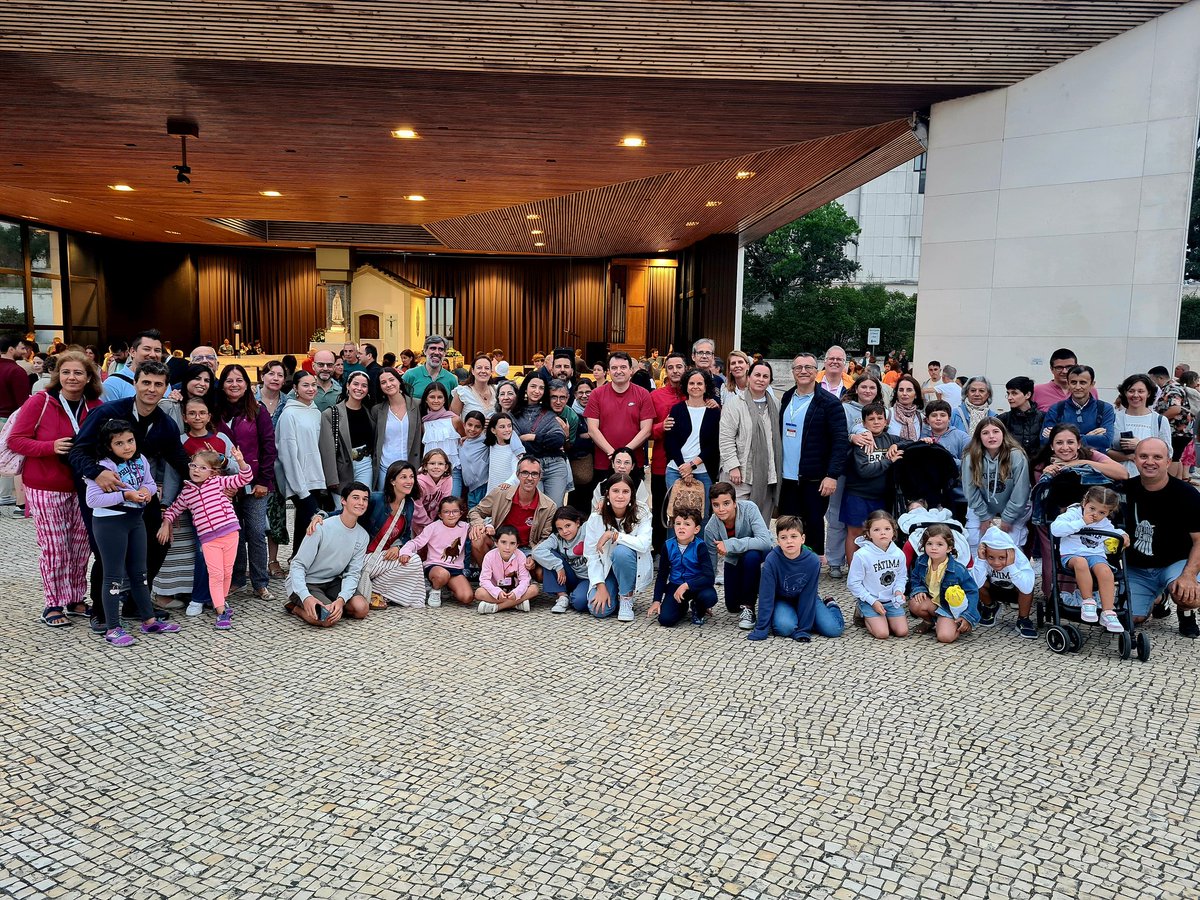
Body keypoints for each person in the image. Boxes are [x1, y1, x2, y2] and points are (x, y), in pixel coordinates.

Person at [69, 361, 191, 633]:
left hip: (139, 496)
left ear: (165, 388)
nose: (151, 389)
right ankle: (101, 613)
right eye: (146, 382)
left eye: (158, 384)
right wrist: (97, 472)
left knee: (158, 543)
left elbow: (180, 459)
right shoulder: (108, 413)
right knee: (105, 555)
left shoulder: (165, 423)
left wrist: (212, 480)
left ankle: (136, 604)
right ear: (135, 383)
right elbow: (77, 451)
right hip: (105, 496)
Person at [7, 350, 103, 626]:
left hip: (84, 487)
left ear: (88, 378)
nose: (71, 377)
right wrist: (50, 447)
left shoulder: (95, 406)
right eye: (66, 372)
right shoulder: (41, 402)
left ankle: (75, 598)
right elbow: (16, 440)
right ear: (57, 376)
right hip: (46, 484)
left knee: (80, 546)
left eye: (78, 373)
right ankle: (53, 603)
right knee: (55, 546)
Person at [83, 420, 181, 647]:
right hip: (110, 524)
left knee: (140, 573)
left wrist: (147, 491)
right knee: (113, 576)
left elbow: (149, 482)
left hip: (135, 520)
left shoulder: (141, 459)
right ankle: (113, 627)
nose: (127, 447)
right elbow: (93, 499)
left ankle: (149, 620)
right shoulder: (103, 467)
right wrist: (125, 496)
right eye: (119, 443)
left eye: (130, 441)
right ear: (109, 446)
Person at [157, 446, 254, 630]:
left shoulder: (219, 482)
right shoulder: (186, 493)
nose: (196, 470)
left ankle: (221, 602)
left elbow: (245, 478)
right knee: (216, 574)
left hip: (230, 532)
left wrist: (240, 461)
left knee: (226, 572)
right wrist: (166, 523)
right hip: (208, 539)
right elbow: (173, 510)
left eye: (202, 468)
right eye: (193, 466)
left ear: (213, 472)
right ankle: (221, 612)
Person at [1121, 437, 1200, 635]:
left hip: (1174, 563)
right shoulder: (1122, 490)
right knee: (1130, 619)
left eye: (1157, 457)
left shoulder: (1187, 494)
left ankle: (1186, 613)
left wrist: (1189, 575)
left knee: (1189, 595)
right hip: (1137, 567)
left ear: (1167, 461)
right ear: (1135, 459)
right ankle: (1159, 598)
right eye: (1143, 456)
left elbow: (1199, 539)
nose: (1150, 462)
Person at [777, 353, 849, 559]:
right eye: (798, 367)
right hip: (788, 476)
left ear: (817, 372)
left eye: (808, 367)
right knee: (789, 524)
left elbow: (840, 441)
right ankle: (789, 562)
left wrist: (832, 475)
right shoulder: (787, 396)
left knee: (813, 523)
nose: (803, 371)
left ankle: (814, 563)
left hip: (815, 477)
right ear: (792, 372)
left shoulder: (829, 403)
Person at [216, 363, 276, 601]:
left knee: (255, 530)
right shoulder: (215, 410)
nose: (234, 385)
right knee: (234, 532)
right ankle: (237, 578)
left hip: (255, 484)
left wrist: (263, 481)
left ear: (247, 384)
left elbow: (269, 448)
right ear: (222, 384)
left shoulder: (258, 411)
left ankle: (260, 582)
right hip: (226, 485)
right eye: (229, 380)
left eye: (239, 380)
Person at [746, 515, 845, 642]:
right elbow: (766, 596)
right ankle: (798, 617)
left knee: (833, 630)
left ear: (802, 539)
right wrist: (761, 628)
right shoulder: (771, 560)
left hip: (807, 598)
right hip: (782, 599)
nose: (789, 541)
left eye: (794, 536)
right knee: (784, 628)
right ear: (778, 541)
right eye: (783, 538)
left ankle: (831, 605)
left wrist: (803, 629)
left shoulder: (813, 561)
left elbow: (808, 595)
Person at [285, 482, 371, 627]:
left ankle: (330, 605)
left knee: (361, 609)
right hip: (307, 581)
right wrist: (306, 597)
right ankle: (295, 608)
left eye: (365, 499)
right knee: (326, 619)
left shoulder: (362, 536)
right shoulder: (321, 527)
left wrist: (341, 600)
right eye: (355, 498)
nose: (361, 503)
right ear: (343, 500)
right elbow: (298, 564)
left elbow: (353, 573)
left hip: (332, 581)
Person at [1050, 485, 1128, 633]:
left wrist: (1123, 535)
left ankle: (1108, 611)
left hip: (1095, 555)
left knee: (1105, 570)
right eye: (1092, 509)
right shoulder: (1073, 514)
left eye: (1102, 512)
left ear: (1109, 512)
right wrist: (1082, 522)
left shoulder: (1104, 522)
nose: (1095, 515)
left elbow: (1112, 531)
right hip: (1072, 555)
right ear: (1085, 502)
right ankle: (1088, 601)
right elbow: (1056, 529)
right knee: (1081, 562)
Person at [718, 360, 781, 529]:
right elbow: (725, 438)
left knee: (761, 523)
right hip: (741, 474)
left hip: (767, 475)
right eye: (757, 375)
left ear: (770, 381)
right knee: (738, 521)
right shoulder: (735, 404)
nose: (761, 379)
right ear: (749, 377)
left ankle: (757, 554)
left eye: (765, 376)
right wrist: (733, 466)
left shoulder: (775, 404)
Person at [582, 474, 653, 621]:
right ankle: (613, 592)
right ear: (607, 494)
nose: (620, 496)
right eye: (615, 491)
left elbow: (644, 544)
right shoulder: (596, 518)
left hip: (630, 565)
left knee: (622, 552)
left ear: (632, 494)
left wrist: (613, 535)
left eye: (625, 492)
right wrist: (600, 586)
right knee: (598, 610)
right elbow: (591, 555)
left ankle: (626, 597)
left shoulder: (643, 513)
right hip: (607, 569)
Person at [275, 371, 331, 558]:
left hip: (318, 478)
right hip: (300, 480)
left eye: (313, 384)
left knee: (305, 522)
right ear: (295, 388)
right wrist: (299, 487)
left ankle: (298, 559)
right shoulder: (289, 414)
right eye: (305, 385)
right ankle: (300, 560)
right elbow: (287, 453)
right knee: (310, 518)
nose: (311, 389)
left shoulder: (316, 412)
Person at [841, 403, 904, 563]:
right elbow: (864, 471)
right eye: (871, 419)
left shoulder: (890, 439)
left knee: (878, 533)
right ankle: (852, 570)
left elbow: (910, 443)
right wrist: (888, 461)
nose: (876, 422)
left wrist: (898, 445)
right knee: (856, 533)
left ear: (886, 421)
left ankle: (874, 568)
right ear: (863, 423)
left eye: (879, 418)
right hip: (857, 495)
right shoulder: (861, 441)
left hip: (881, 497)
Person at [704, 482, 772, 630]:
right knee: (732, 607)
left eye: (726, 503)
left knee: (751, 557)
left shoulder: (749, 508)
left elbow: (765, 542)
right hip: (734, 560)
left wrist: (729, 545)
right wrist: (704, 599)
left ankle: (749, 607)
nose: (721, 509)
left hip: (758, 554)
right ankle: (752, 586)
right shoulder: (711, 528)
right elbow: (710, 565)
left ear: (735, 503)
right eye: (716, 505)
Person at [358, 461, 426, 609]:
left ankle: (374, 590)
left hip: (385, 556)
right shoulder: (376, 500)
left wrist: (397, 547)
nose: (409, 481)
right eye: (403, 477)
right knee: (414, 559)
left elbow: (406, 535)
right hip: (363, 556)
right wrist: (321, 517)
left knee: (410, 561)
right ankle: (373, 589)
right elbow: (349, 511)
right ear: (392, 481)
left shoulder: (408, 504)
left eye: (411, 477)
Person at [468, 456, 557, 566]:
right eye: (525, 473)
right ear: (517, 474)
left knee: (540, 574)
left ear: (540, 477)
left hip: (528, 549)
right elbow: (475, 511)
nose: (529, 478)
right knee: (478, 537)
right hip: (499, 543)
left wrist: (533, 557)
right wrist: (478, 524)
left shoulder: (549, 506)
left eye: (534, 474)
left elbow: (546, 538)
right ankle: (489, 575)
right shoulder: (501, 493)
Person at [585, 352, 654, 491]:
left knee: (634, 506)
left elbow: (646, 430)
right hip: (604, 462)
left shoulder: (643, 394)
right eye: (614, 368)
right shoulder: (596, 394)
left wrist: (625, 453)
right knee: (604, 505)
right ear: (609, 371)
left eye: (623, 367)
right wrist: (613, 454)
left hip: (633, 463)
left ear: (631, 370)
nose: (619, 371)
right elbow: (592, 429)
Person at [962, 417, 1031, 555]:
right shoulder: (971, 457)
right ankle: (981, 575)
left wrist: (1007, 518)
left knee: (1009, 544)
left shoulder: (1016, 455)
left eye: (996, 431)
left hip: (1015, 508)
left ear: (1003, 434)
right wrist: (984, 516)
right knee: (975, 542)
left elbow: (1021, 492)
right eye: (985, 433)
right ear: (979, 436)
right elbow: (970, 491)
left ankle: (1011, 575)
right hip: (982, 506)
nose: (991, 436)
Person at [908, 523, 979, 643]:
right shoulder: (921, 561)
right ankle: (929, 621)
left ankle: (957, 625)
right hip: (934, 603)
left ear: (949, 548)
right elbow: (915, 578)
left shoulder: (957, 569)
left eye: (939, 544)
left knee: (945, 637)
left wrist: (967, 616)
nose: (933, 548)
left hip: (950, 609)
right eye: (929, 543)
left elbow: (972, 591)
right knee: (915, 603)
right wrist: (919, 589)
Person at [397, 495, 473, 607]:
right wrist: (405, 551)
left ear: (461, 513)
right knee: (442, 574)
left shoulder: (465, 527)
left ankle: (448, 587)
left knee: (467, 597)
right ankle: (436, 589)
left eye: (455, 511)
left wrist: (488, 526)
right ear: (440, 515)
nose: (451, 515)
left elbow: (480, 527)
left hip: (455, 569)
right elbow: (416, 542)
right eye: (446, 512)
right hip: (435, 566)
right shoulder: (433, 527)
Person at [663, 368, 721, 515]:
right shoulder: (677, 409)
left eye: (700, 383)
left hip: (703, 471)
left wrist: (692, 465)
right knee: (676, 516)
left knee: (703, 516)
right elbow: (671, 441)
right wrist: (684, 468)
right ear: (686, 386)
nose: (695, 387)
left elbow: (714, 444)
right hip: (676, 470)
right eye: (692, 383)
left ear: (706, 386)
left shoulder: (714, 411)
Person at [648, 507, 717, 627]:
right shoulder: (668, 546)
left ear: (696, 529)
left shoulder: (700, 546)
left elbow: (709, 577)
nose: (681, 527)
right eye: (678, 523)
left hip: (696, 585)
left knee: (709, 597)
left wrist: (687, 585)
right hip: (675, 585)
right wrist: (656, 600)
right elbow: (662, 575)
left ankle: (698, 608)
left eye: (687, 524)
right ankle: (682, 605)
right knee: (665, 620)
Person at [847, 510, 908, 640]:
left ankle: (885, 619)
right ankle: (863, 613)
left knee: (902, 631)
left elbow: (902, 577)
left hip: (891, 601)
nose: (882, 533)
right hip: (871, 600)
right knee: (882, 634)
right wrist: (872, 601)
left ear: (893, 532)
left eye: (887, 529)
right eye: (876, 530)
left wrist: (898, 591)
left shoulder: (898, 553)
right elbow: (853, 583)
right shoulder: (862, 555)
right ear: (868, 534)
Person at [256, 360, 291, 579]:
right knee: (252, 515)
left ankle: (273, 560)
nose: (276, 378)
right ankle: (251, 562)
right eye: (271, 373)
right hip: (252, 464)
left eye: (280, 375)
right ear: (263, 376)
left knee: (276, 514)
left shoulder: (289, 402)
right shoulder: (249, 399)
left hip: (278, 466)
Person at [513, 374, 570, 506]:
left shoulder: (549, 413)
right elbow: (517, 444)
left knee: (554, 508)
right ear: (525, 388)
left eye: (541, 388)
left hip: (555, 465)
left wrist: (531, 437)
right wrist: (544, 441)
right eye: (533, 386)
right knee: (534, 509)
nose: (537, 391)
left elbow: (557, 440)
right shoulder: (514, 414)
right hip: (530, 467)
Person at [972, 525, 1037, 635]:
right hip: (993, 589)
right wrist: (981, 560)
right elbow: (975, 583)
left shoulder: (1020, 560)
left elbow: (1027, 587)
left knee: (1027, 587)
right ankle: (991, 607)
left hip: (1016, 592)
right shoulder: (982, 558)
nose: (996, 563)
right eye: (991, 557)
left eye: (1002, 558)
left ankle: (1023, 619)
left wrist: (1011, 565)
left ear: (1010, 553)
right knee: (976, 582)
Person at [318, 370, 375, 497]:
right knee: (342, 508)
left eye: (364, 386)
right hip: (341, 468)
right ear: (348, 386)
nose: (359, 388)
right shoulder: (331, 414)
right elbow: (327, 450)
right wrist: (332, 478)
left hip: (365, 463)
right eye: (355, 384)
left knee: (362, 504)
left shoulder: (370, 411)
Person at [1041, 365, 1115, 453]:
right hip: (1063, 463)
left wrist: (1061, 438)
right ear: (1068, 384)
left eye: (1083, 382)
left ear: (1092, 384)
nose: (1077, 387)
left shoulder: (1105, 408)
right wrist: (1088, 438)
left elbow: (1106, 441)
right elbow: (1044, 440)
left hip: (1095, 462)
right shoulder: (1056, 409)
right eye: (1073, 382)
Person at [371, 367, 423, 491]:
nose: (388, 384)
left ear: (399, 381)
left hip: (411, 467)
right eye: (383, 382)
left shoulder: (417, 405)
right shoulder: (377, 410)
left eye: (391, 380)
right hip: (386, 468)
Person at [533, 506, 591, 614]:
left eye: (568, 526)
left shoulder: (587, 529)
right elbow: (537, 552)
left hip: (588, 578)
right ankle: (562, 596)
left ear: (577, 522)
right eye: (560, 528)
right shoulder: (556, 537)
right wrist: (558, 565)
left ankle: (575, 595)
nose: (564, 531)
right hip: (570, 575)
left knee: (579, 602)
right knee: (549, 554)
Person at [1110, 373, 1170, 477]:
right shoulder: (1114, 418)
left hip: (1148, 480)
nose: (1135, 395)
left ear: (1149, 393)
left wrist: (1140, 445)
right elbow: (1104, 451)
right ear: (1125, 393)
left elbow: (1168, 453)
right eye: (1131, 391)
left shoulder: (1160, 420)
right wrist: (1128, 457)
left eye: (1141, 391)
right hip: (1118, 478)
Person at [474, 524, 539, 613]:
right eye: (503, 542)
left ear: (517, 545)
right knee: (479, 592)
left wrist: (516, 593)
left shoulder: (520, 556)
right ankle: (517, 604)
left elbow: (525, 579)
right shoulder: (489, 556)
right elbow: (484, 580)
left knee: (534, 589)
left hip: (514, 590)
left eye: (512, 543)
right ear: (496, 543)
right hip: (496, 591)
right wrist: (497, 592)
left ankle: (497, 607)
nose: (507, 547)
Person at [419, 382, 463, 496]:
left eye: (440, 397)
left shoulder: (455, 420)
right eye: (432, 397)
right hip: (430, 473)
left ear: (444, 400)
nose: (436, 400)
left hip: (453, 471)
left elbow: (464, 440)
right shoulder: (424, 423)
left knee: (451, 504)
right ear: (426, 400)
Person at [1149, 365, 1192, 477]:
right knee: (1176, 457)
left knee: (1172, 457)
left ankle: (1169, 483)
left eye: (1151, 379)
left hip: (1177, 429)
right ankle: (1177, 483)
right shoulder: (1171, 387)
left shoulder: (1172, 388)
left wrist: (1158, 419)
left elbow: (1175, 409)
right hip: (1180, 430)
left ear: (1159, 378)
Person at [102, 330, 163, 401]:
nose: (153, 354)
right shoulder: (113, 384)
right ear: (133, 352)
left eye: (157, 350)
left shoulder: (163, 382)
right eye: (147, 349)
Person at [997, 376, 1044, 463]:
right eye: (1008, 393)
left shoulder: (1043, 418)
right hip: (1010, 468)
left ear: (1028, 395)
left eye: (1014, 393)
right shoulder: (1002, 419)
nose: (1009, 397)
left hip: (1036, 469)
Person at [402, 334, 459, 399]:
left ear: (444, 353)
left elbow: (452, 408)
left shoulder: (451, 380)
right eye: (433, 348)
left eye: (441, 349)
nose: (437, 352)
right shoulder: (410, 375)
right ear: (425, 351)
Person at [412, 449, 453, 535]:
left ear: (446, 467)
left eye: (440, 464)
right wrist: (428, 524)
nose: (436, 467)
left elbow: (444, 503)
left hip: (434, 519)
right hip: (415, 520)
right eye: (432, 463)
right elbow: (417, 507)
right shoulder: (419, 483)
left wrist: (437, 523)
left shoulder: (448, 480)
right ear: (425, 466)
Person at [483, 412, 525, 493]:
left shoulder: (515, 449)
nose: (507, 430)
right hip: (492, 491)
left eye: (509, 426)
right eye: (502, 427)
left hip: (508, 491)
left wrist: (507, 483)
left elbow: (517, 471)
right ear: (493, 430)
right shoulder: (492, 445)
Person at [451, 355, 496, 420]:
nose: (483, 371)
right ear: (472, 371)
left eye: (487, 368)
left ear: (491, 372)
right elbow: (453, 421)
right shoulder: (462, 393)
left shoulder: (498, 391)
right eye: (479, 368)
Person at [888, 374, 925, 441]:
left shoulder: (920, 417)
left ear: (916, 395)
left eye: (909, 390)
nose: (904, 393)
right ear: (896, 393)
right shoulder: (887, 414)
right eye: (901, 390)